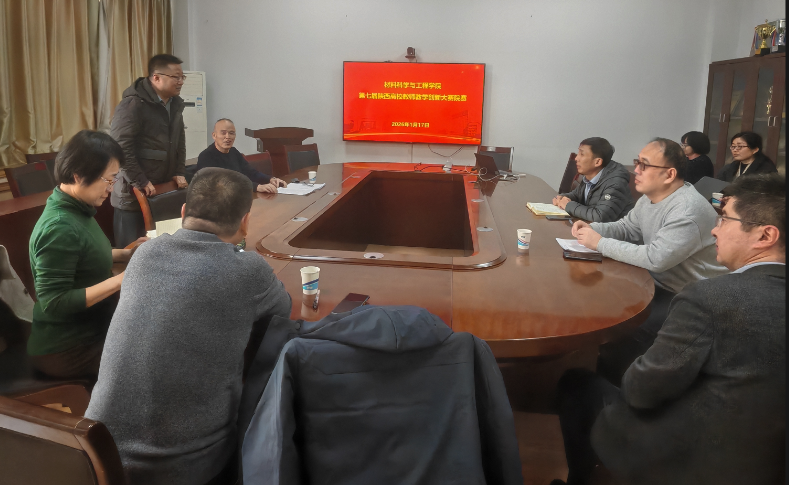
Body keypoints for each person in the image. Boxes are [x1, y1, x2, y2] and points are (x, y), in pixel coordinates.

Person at [552, 173, 785, 485]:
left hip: (692, 459)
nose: (714, 229)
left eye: (725, 219)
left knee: (577, 384)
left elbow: (641, 391)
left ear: (765, 235)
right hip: (766, 461)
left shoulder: (709, 298)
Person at [86, 167, 292, 485]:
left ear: (183, 212)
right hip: (188, 469)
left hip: (99, 459)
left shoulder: (145, 254)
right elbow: (282, 314)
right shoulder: (249, 271)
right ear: (245, 222)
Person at [573, 138, 728, 384]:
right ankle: (589, 365)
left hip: (685, 295)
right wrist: (593, 229)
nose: (636, 170)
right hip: (653, 281)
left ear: (669, 174)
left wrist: (599, 243)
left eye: (644, 165)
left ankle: (616, 386)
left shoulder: (687, 210)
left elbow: (656, 259)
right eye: (637, 162)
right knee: (595, 299)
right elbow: (627, 228)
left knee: (624, 327)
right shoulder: (650, 197)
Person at [27, 130, 145, 381]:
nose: (111, 188)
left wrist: (126, 254)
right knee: (151, 355)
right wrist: (124, 278)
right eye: (108, 180)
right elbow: (54, 301)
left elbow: (84, 253)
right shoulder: (59, 227)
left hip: (89, 332)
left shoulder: (76, 209)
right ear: (78, 175)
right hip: (68, 348)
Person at [110, 54, 189, 248]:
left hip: (163, 193)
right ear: (156, 78)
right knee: (131, 254)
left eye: (182, 77)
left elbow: (179, 142)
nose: (180, 82)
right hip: (132, 195)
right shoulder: (133, 104)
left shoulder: (174, 104)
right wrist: (140, 180)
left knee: (160, 251)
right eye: (176, 77)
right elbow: (120, 147)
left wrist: (179, 171)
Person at [552, 137, 634, 222]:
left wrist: (568, 205)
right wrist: (562, 198)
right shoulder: (590, 175)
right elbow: (577, 195)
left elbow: (600, 216)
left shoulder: (616, 183)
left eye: (582, 154)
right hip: (590, 226)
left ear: (597, 162)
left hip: (610, 230)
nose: (576, 158)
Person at [196, 118, 286, 193]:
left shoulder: (234, 152)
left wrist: (270, 179)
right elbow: (222, 184)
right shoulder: (206, 156)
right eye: (223, 133)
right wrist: (256, 187)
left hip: (238, 196)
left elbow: (251, 173)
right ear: (214, 135)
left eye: (231, 133)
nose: (228, 137)